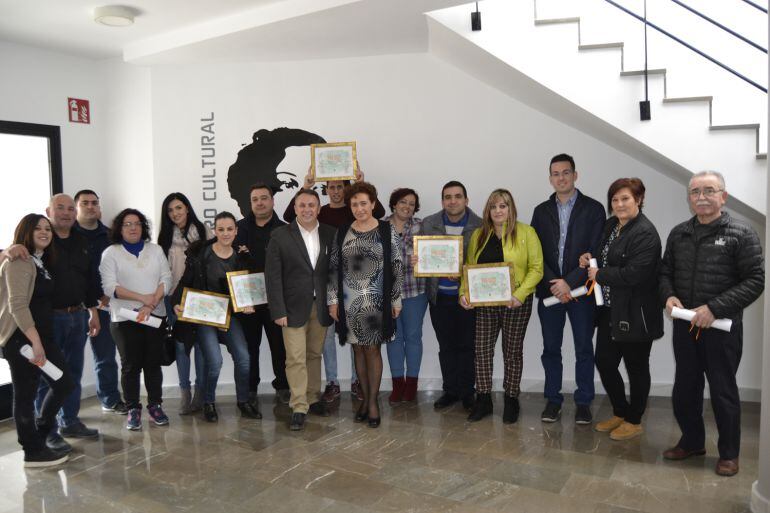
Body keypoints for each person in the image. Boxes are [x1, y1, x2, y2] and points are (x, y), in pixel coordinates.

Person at [659, 171, 764, 477]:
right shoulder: (679, 233)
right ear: (689, 198)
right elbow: (665, 272)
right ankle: (692, 442)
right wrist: (669, 296)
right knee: (685, 389)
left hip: (722, 329)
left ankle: (729, 454)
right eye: (695, 192)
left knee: (723, 391)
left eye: (708, 191)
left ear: (723, 196)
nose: (701, 197)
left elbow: (756, 280)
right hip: (685, 326)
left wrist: (715, 308)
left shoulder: (741, 234)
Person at [2, 194, 102, 449]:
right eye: (60, 208)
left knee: (71, 376)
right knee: (44, 380)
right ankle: (47, 432)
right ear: (49, 211)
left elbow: (89, 279)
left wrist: (93, 311)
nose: (66, 213)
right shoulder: (34, 246)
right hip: (47, 322)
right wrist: (6, 250)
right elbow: (16, 292)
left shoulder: (81, 241)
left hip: (77, 315)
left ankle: (69, 421)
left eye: (70, 209)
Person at [284, 166, 385, 403]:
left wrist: (362, 181)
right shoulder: (321, 213)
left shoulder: (354, 212)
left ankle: (356, 381)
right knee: (326, 339)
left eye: (341, 186)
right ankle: (331, 382)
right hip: (328, 286)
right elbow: (290, 217)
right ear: (326, 190)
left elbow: (377, 213)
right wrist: (306, 186)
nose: (337, 191)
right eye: (332, 187)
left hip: (356, 288)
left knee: (357, 341)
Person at [579, 178, 663, 441]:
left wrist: (600, 273)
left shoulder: (646, 233)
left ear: (638, 199)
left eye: (625, 198)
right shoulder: (611, 225)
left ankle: (634, 419)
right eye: (615, 200)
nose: (619, 204)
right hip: (610, 310)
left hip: (636, 313)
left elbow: (635, 274)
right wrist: (587, 258)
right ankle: (620, 411)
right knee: (604, 362)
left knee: (636, 367)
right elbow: (602, 255)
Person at [530, 154, 605, 424]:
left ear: (575, 175)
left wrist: (569, 282)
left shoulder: (594, 209)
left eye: (566, 172)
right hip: (550, 292)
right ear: (550, 178)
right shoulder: (541, 211)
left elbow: (595, 251)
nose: (561, 178)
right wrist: (555, 283)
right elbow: (536, 253)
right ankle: (553, 399)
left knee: (584, 347)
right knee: (551, 348)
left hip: (581, 292)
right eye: (555, 174)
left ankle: (584, 400)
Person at [460, 189, 543, 423]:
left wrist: (520, 294)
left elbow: (537, 268)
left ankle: (511, 399)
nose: (498, 211)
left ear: (511, 209)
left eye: (503, 206)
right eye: (493, 206)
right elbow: (469, 268)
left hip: (515, 303)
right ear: (488, 210)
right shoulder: (479, 235)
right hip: (485, 303)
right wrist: (463, 294)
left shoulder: (527, 232)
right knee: (482, 351)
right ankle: (484, 398)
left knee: (512, 352)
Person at [0, 215, 75, 467]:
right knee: (25, 394)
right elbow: (18, 306)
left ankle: (40, 433)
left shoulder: (38, 261)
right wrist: (35, 342)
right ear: (26, 232)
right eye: (38, 228)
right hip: (23, 339)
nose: (44, 232)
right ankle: (32, 450)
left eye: (47, 228)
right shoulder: (19, 260)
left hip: (40, 337)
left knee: (64, 383)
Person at [172, 212, 262, 422]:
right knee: (214, 362)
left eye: (230, 229)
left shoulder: (241, 258)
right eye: (221, 229)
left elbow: (248, 291)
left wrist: (248, 304)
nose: (225, 233)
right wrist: (176, 301)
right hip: (205, 317)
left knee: (244, 358)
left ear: (236, 231)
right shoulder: (201, 254)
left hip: (230, 317)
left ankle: (243, 402)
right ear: (214, 231)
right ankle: (208, 402)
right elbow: (185, 281)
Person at [328, 182, 404, 428]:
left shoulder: (386, 229)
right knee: (357, 350)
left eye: (363, 203)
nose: (359, 208)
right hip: (349, 301)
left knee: (372, 350)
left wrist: (395, 298)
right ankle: (364, 401)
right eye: (354, 204)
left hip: (376, 300)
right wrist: (333, 301)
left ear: (373, 204)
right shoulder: (342, 231)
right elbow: (334, 268)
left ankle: (371, 402)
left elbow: (396, 266)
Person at [265, 189, 336, 431]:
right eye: (302, 205)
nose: (307, 209)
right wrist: (278, 310)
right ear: (294, 208)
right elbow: (272, 277)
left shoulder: (330, 233)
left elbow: (334, 271)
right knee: (295, 357)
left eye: (312, 205)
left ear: (318, 208)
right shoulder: (280, 236)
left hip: (321, 306)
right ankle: (298, 406)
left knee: (314, 354)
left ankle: (313, 397)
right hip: (292, 308)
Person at [100, 209, 172, 431]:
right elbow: (110, 287)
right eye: (127, 224)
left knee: (152, 363)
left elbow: (166, 279)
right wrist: (142, 298)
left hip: (154, 315)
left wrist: (150, 305)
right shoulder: (111, 253)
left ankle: (155, 405)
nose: (133, 228)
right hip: (124, 317)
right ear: (119, 228)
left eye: (137, 223)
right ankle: (133, 408)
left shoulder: (155, 249)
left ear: (144, 227)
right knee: (130, 365)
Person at [418, 181, 482, 411]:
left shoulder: (480, 225)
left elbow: (483, 263)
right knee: (446, 346)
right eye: (447, 197)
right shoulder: (429, 223)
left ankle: (467, 391)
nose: (452, 201)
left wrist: (463, 275)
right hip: (439, 297)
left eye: (457, 196)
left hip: (467, 299)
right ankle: (450, 390)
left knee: (467, 346)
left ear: (466, 199)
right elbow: (423, 256)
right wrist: (420, 260)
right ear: (442, 200)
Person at [234, 183, 290, 405]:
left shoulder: (286, 230)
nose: (260, 202)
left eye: (264, 198)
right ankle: (250, 387)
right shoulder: (237, 230)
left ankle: (283, 385)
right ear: (250, 203)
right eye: (255, 199)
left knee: (280, 346)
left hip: (276, 300)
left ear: (273, 201)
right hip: (247, 301)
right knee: (250, 347)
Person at [73, 189, 127, 415]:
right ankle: (67, 411)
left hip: (105, 306)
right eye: (85, 203)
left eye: (94, 202)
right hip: (72, 307)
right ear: (77, 207)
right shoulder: (65, 234)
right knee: (69, 362)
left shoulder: (109, 235)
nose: (90, 207)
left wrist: (110, 292)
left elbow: (119, 268)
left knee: (105, 356)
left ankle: (110, 399)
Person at [157, 192, 210, 414]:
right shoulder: (164, 239)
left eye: (179, 207)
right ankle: (184, 392)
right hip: (173, 299)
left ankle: (199, 392)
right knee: (180, 346)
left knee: (200, 345)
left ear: (187, 208)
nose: (175, 213)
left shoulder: (204, 231)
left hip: (199, 297)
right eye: (170, 210)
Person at [385, 188, 428, 403]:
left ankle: (411, 385)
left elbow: (435, 254)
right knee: (393, 338)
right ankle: (397, 385)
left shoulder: (422, 226)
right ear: (394, 204)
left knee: (413, 338)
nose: (407, 207)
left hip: (415, 292)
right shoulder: (380, 227)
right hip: (388, 293)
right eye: (403, 202)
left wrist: (425, 258)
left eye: (411, 203)